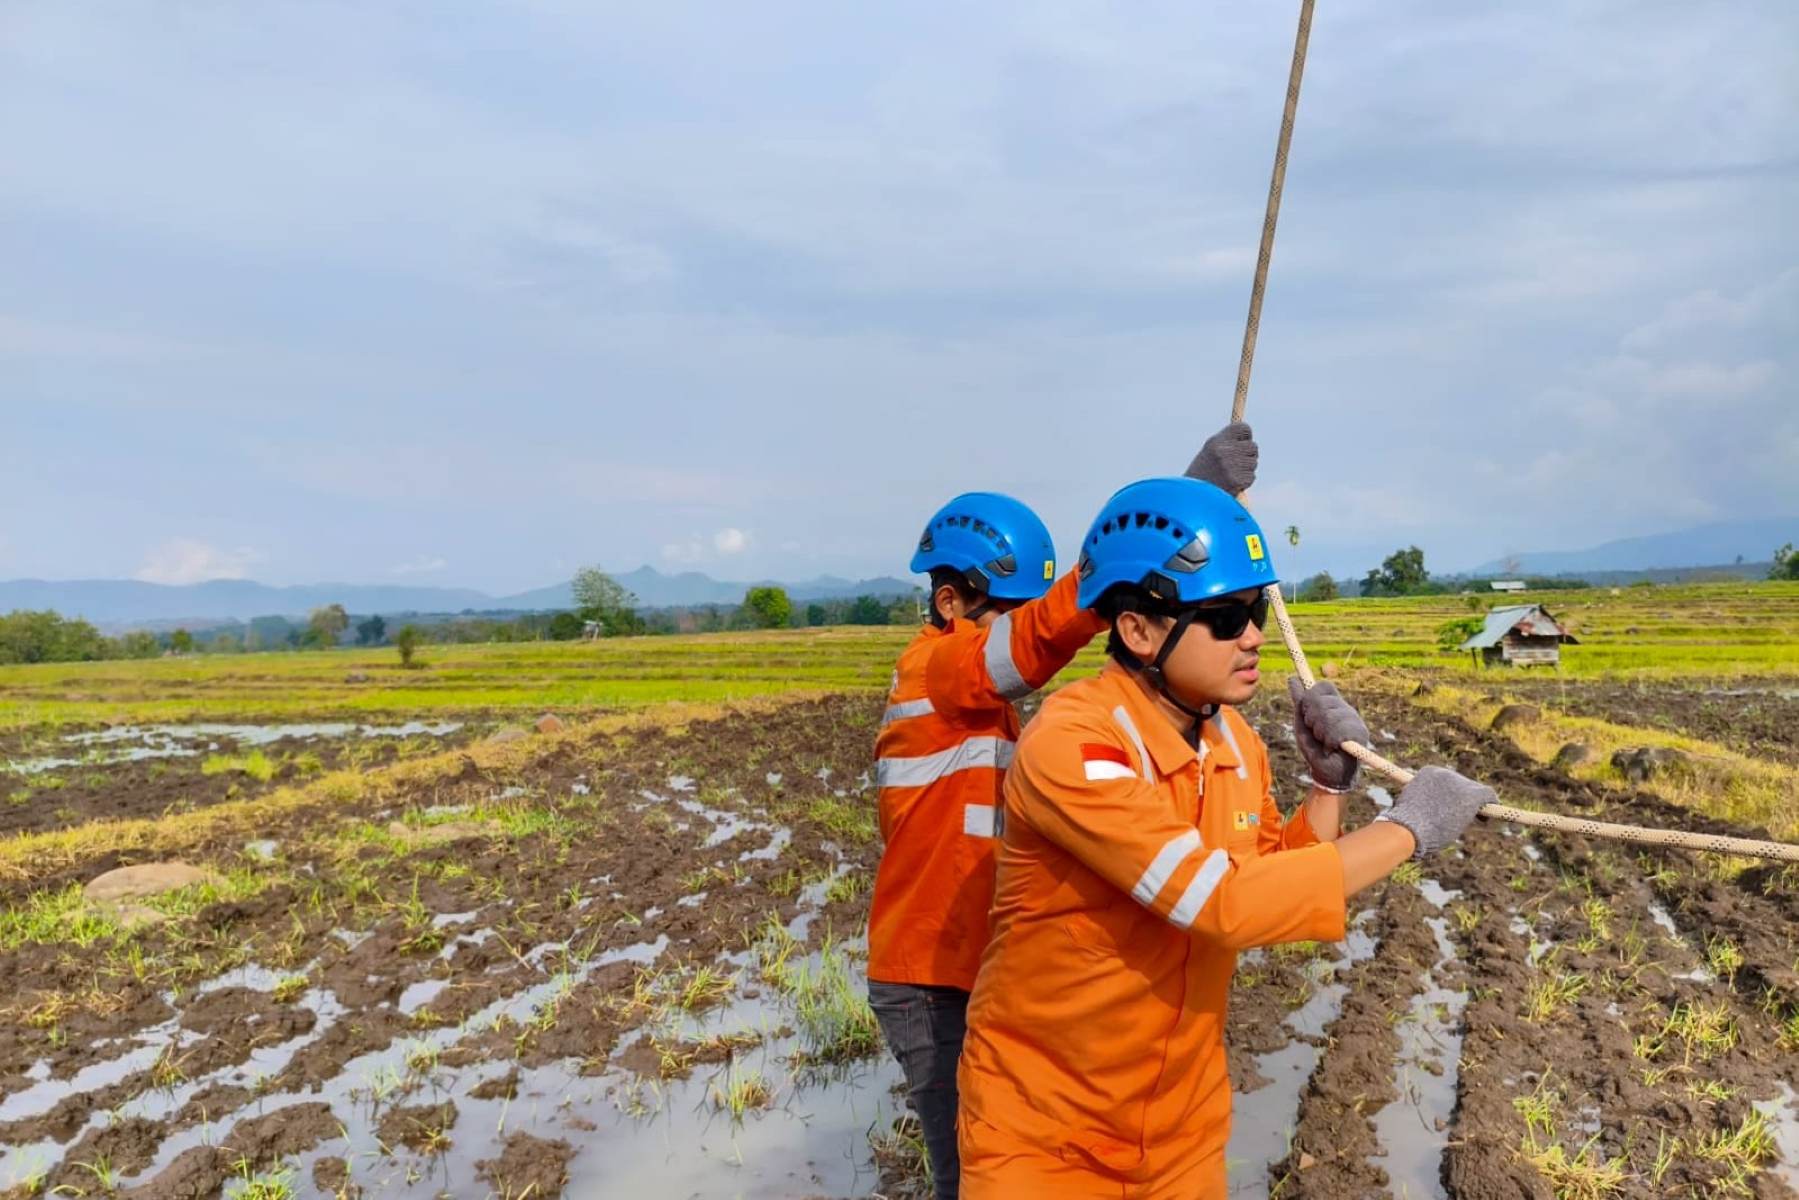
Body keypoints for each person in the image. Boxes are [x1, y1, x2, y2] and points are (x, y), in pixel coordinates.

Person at [955, 476, 1495, 1198]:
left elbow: (1274, 882)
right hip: (1043, 1138)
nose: (1250, 637)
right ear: (1137, 629)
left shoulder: (1231, 739)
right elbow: (1221, 903)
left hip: (1180, 1132)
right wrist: (1408, 828)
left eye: (1256, 613)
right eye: (1223, 616)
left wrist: (1328, 789)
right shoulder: (1074, 745)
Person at [869, 428, 1260, 1200]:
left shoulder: (989, 713)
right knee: (971, 1172)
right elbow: (1038, 644)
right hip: (931, 971)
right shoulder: (935, 666)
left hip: (976, 958)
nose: (1024, 624)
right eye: (1005, 611)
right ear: (950, 602)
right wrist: (1145, 546)